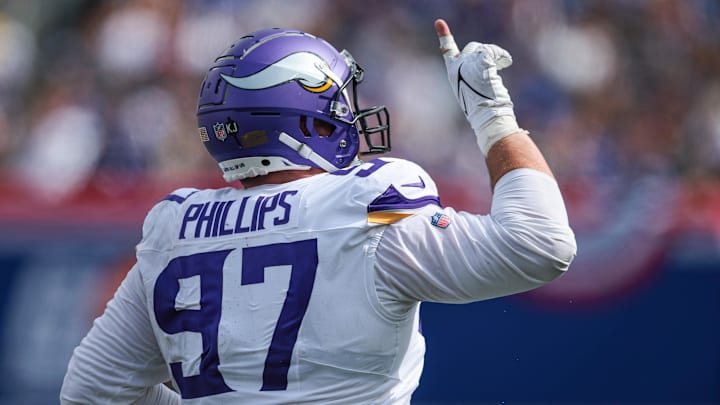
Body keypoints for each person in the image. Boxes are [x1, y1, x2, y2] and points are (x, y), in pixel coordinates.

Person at [60, 19, 576, 404]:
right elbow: (539, 244)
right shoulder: (367, 205)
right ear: (308, 123)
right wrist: (492, 114)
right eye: (338, 106)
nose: (350, 117)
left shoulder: (174, 227)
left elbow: (91, 393)